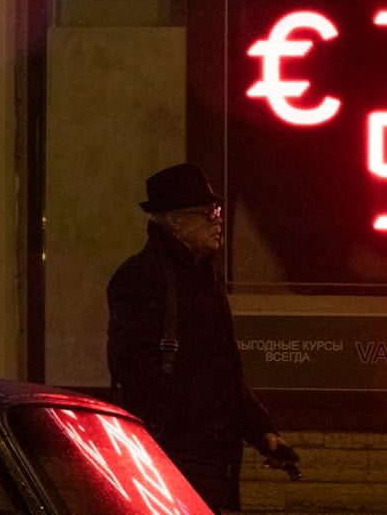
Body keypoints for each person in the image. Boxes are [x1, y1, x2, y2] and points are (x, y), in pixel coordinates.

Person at [107, 163, 299, 512]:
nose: (217, 220)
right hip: (172, 460)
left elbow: (222, 374)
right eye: (207, 212)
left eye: (218, 212)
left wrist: (262, 432)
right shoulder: (142, 277)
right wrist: (180, 422)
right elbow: (134, 369)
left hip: (206, 460)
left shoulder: (206, 280)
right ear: (174, 220)